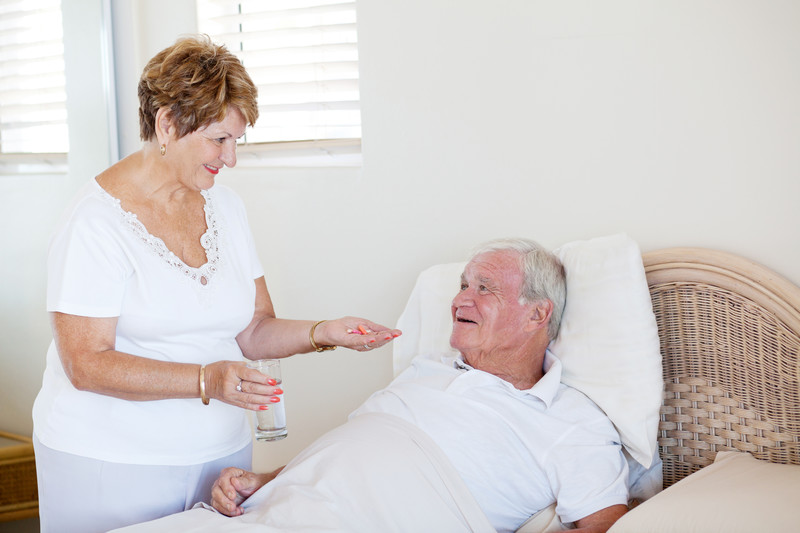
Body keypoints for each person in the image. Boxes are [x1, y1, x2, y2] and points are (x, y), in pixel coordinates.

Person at [31, 35, 401, 533]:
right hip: (110, 463)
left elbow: (253, 328)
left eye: (236, 141)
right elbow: (86, 363)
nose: (230, 160)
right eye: (218, 139)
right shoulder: (94, 223)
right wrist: (208, 380)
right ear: (167, 124)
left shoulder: (225, 208)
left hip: (218, 457)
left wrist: (325, 332)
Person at [201, 238, 629, 533]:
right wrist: (265, 480)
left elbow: (604, 524)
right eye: (463, 285)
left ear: (537, 315)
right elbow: (346, 459)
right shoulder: (428, 369)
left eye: (485, 289)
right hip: (282, 510)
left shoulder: (571, 420)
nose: (461, 299)